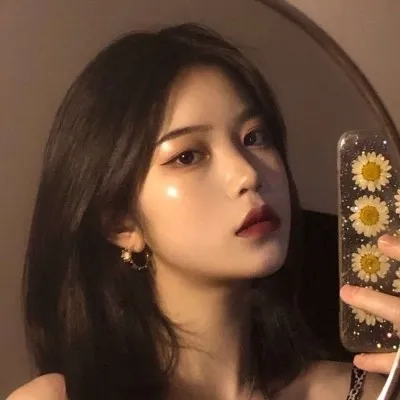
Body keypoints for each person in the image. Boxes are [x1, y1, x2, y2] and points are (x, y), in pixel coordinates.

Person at [6, 23, 399, 400]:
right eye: (188, 156)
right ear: (120, 222)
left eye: (254, 137)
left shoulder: (367, 392)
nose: (247, 174)